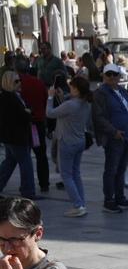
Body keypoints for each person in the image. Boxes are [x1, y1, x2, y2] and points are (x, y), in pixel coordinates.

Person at [92, 64, 128, 213]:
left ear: (119, 76)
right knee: (111, 169)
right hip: (113, 138)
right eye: (109, 74)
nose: (112, 77)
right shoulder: (101, 93)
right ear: (104, 76)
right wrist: (113, 131)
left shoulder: (123, 91)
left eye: (115, 74)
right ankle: (109, 200)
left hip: (126, 137)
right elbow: (98, 117)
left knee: (121, 169)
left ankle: (120, 197)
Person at [46, 77, 92, 217]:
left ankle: (78, 205)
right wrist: (61, 96)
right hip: (79, 141)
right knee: (76, 173)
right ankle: (81, 203)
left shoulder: (71, 105)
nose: (69, 89)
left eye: (71, 87)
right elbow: (65, 109)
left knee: (66, 175)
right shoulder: (85, 103)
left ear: (77, 90)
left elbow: (50, 113)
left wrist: (50, 97)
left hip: (67, 142)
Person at [0, 71, 37, 200]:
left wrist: (27, 111)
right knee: (25, 163)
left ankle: (26, 190)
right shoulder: (9, 98)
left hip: (12, 137)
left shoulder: (13, 96)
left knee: (9, 163)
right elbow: (17, 116)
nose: (19, 83)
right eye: (16, 81)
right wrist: (27, 113)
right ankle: (28, 191)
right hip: (16, 137)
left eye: (19, 80)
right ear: (8, 82)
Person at [16, 63, 50, 194]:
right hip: (38, 122)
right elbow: (45, 99)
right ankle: (44, 183)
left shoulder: (18, 84)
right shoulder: (39, 83)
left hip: (24, 124)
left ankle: (26, 185)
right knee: (41, 154)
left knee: (24, 156)